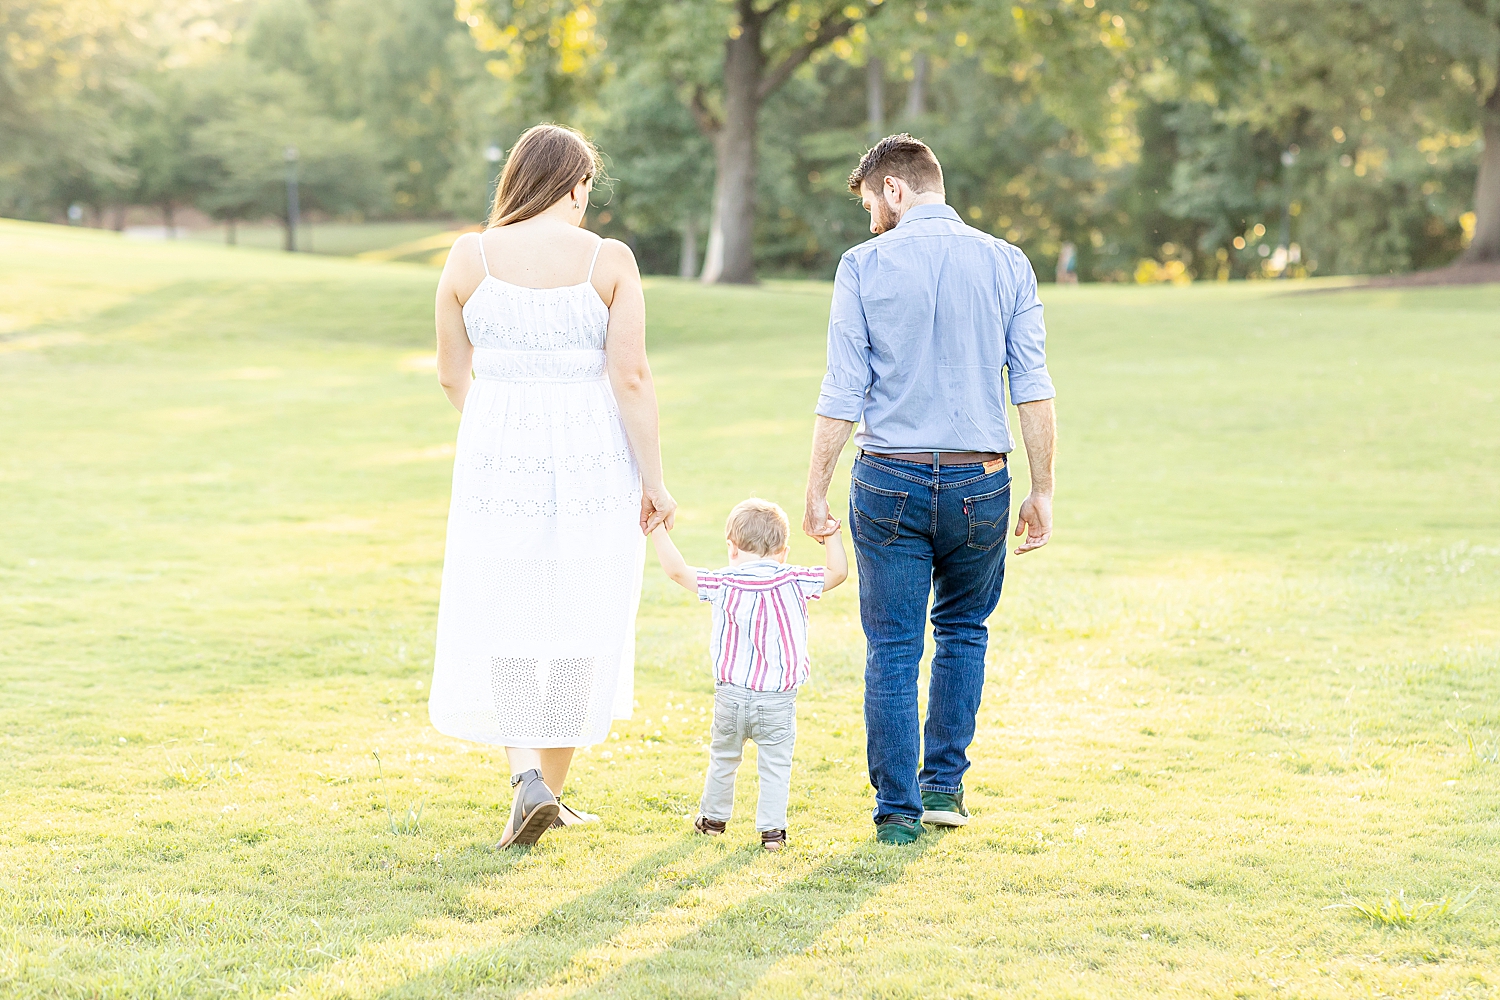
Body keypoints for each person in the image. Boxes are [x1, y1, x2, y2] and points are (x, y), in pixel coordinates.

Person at [803, 134, 1057, 845]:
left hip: (889, 477)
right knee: (963, 632)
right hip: (983, 480)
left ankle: (895, 811)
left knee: (891, 647)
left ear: (894, 190)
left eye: (868, 204)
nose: (869, 221)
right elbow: (1032, 387)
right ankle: (943, 785)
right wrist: (1043, 490)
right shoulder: (1009, 263)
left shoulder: (862, 266)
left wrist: (816, 488)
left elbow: (843, 388)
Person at [427, 124, 676, 849]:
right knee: (579, 611)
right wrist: (653, 480)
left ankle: (527, 782)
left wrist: (498, 429)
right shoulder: (608, 259)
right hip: (593, 455)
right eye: (586, 190)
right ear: (573, 185)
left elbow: (450, 372)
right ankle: (551, 790)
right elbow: (630, 376)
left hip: (497, 458)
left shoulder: (468, 255)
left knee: (506, 608)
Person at [650, 499, 848, 850]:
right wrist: (830, 533)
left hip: (731, 696)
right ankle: (772, 832)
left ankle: (712, 819)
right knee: (775, 766)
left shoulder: (723, 581)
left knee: (723, 758)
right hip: (778, 699)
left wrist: (658, 529)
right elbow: (837, 573)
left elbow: (678, 571)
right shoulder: (794, 579)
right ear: (783, 551)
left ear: (732, 548)